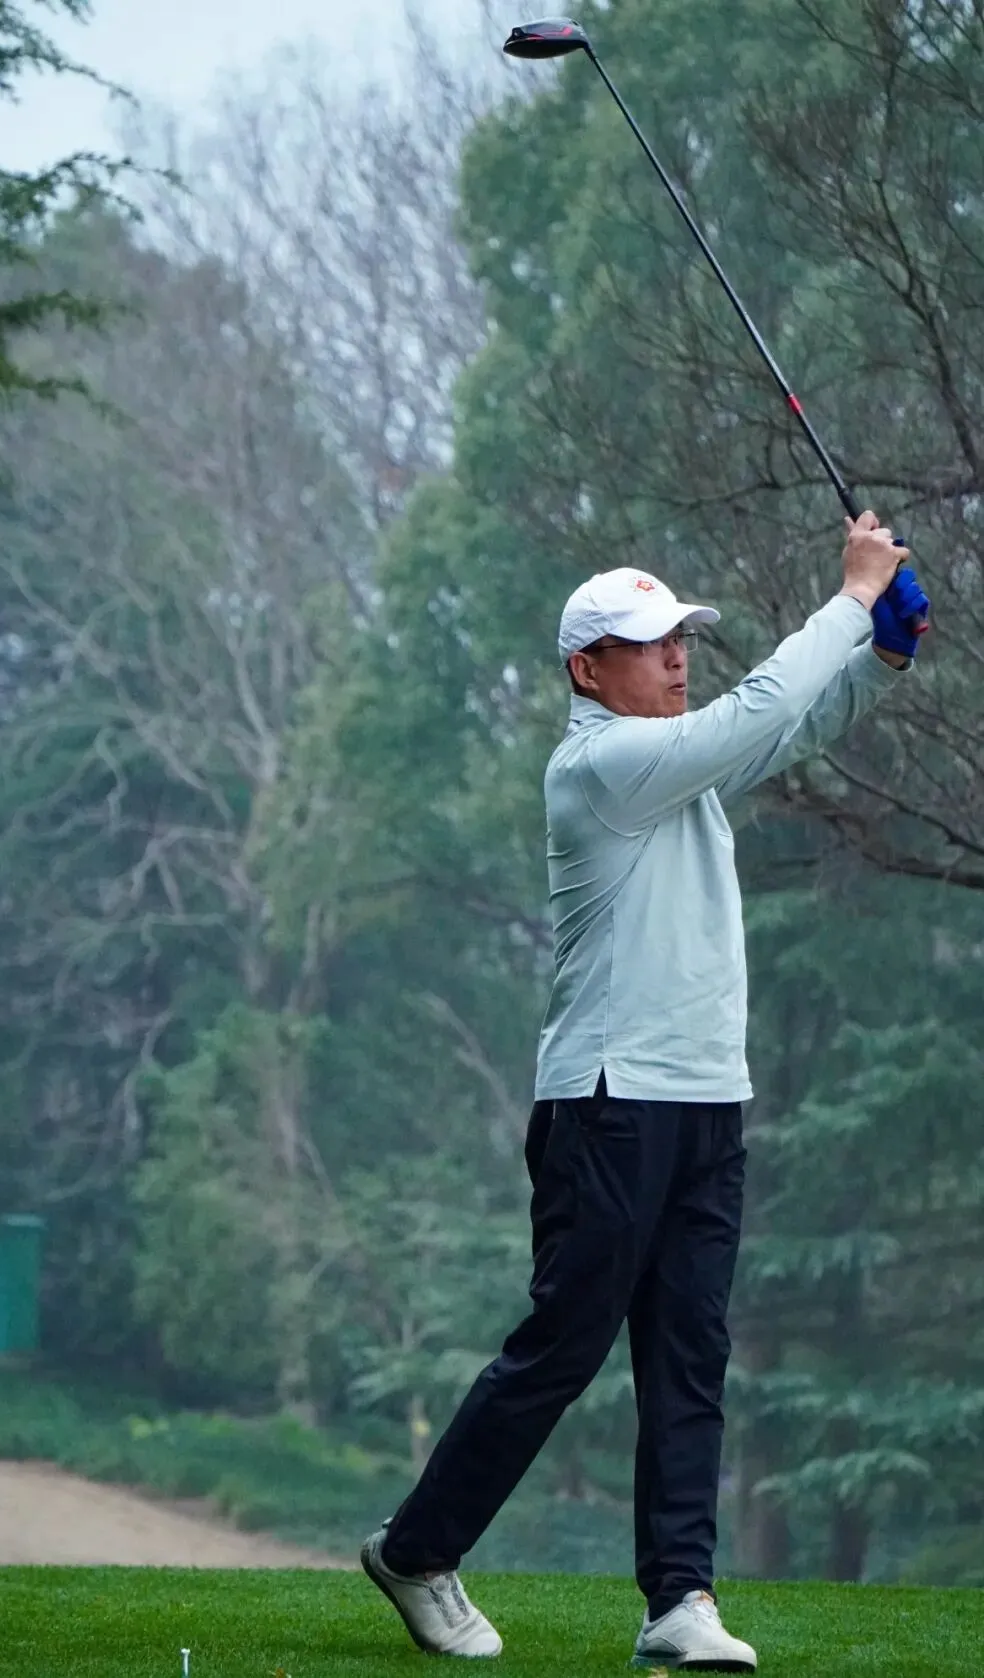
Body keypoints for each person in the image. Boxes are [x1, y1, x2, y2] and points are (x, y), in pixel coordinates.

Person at [360, 512, 930, 1669]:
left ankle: (680, 1600)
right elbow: (756, 710)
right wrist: (853, 597)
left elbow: (796, 720)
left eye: (680, 638)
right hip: (607, 1104)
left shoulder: (675, 771)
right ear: (589, 669)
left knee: (689, 1356)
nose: (676, 656)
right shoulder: (602, 768)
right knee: (563, 1349)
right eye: (649, 643)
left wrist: (883, 656)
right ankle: (415, 1551)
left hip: (708, 1100)